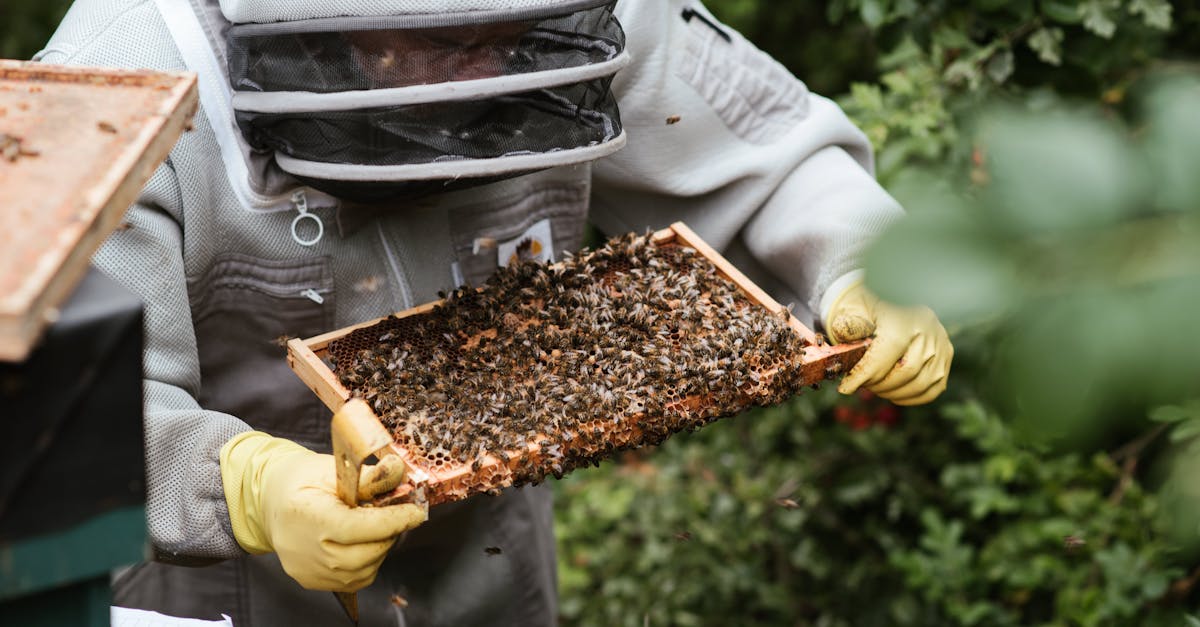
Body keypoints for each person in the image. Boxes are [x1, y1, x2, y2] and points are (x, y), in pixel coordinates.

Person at [36, 0, 952, 624]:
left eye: (506, 34)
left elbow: (769, 154)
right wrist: (236, 484)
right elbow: (56, 410)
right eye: (437, 41)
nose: (474, 65)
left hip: (493, 566)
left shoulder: (594, 14)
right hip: (222, 592)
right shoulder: (122, 73)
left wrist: (865, 261)